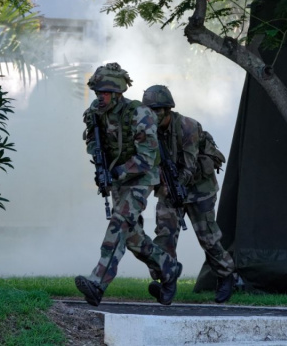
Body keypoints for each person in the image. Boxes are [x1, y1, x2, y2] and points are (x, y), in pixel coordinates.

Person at [74, 63, 181, 306]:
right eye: (98, 93)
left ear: (117, 93)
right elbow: (93, 142)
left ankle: (97, 283)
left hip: (140, 179)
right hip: (118, 178)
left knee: (118, 224)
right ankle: (169, 268)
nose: (100, 97)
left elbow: (146, 158)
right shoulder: (96, 112)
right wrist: (102, 167)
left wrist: (117, 173)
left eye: (105, 93)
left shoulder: (138, 114)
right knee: (132, 238)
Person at [142, 85, 236, 304]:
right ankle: (167, 281)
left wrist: (177, 188)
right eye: (149, 111)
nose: (152, 115)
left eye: (156, 110)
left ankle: (225, 276)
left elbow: (190, 165)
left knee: (208, 237)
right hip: (169, 187)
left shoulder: (188, 126)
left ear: (167, 109)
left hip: (198, 187)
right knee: (164, 236)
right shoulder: (147, 131)